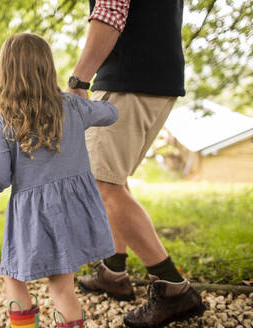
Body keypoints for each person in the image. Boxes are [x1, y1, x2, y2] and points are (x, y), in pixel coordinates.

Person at [67, 1, 206, 327]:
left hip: (128, 79)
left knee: (102, 186)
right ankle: (113, 273)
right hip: (155, 75)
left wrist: (78, 80)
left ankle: (174, 289)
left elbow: (111, 13)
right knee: (112, 181)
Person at [0, 33, 119, 328]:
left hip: (33, 216)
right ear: (48, 69)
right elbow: (111, 113)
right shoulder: (72, 106)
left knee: (13, 275)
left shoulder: (4, 120)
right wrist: (80, 93)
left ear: (6, 72)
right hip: (75, 208)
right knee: (62, 285)